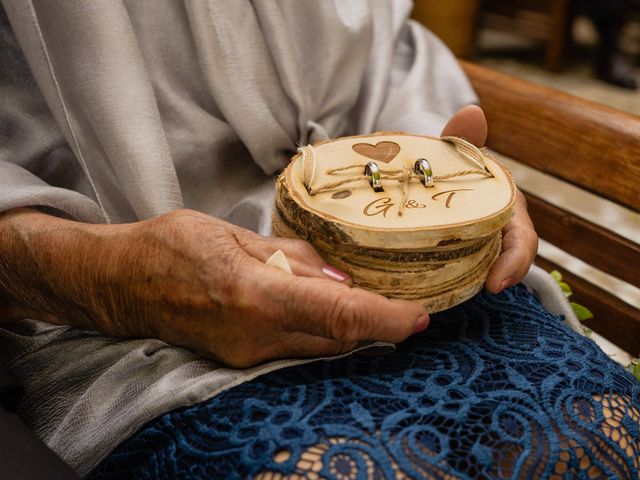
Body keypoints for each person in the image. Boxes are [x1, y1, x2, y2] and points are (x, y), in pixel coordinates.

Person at [0, 1, 638, 478]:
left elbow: (381, 54)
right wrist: (103, 278)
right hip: (120, 329)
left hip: (426, 291)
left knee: (589, 443)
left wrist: (439, 177)